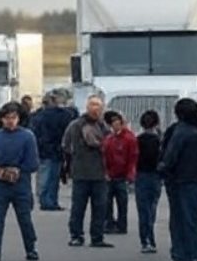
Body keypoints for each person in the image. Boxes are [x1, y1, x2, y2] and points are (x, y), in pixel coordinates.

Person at [0, 102, 41, 261]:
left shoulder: (27, 136)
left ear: (19, 118)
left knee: (25, 219)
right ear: (1, 119)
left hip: (21, 184)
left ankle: (31, 248)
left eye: (14, 117)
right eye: (7, 118)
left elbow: (33, 162)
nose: (10, 121)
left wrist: (19, 170)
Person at [159, 98, 197, 261]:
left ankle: (181, 255)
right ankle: (195, 254)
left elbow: (170, 157)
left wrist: (161, 168)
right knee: (192, 219)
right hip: (195, 179)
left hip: (178, 180)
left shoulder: (179, 132)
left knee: (177, 220)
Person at [61, 95, 113, 248]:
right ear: (87, 106)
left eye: (98, 105)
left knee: (100, 207)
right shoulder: (75, 125)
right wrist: (66, 167)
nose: (95, 108)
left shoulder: (105, 127)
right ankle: (76, 235)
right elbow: (66, 146)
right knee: (78, 207)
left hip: (100, 173)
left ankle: (97, 237)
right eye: (92, 105)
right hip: (81, 172)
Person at [30, 92, 74, 211]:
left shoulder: (37, 116)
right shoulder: (64, 115)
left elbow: (34, 132)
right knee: (53, 177)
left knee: (44, 175)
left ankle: (45, 200)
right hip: (57, 149)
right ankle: (51, 201)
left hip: (42, 149)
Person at [102, 111, 138, 235]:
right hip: (111, 174)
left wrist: (130, 174)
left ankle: (121, 224)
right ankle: (109, 223)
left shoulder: (129, 138)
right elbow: (104, 156)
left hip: (122, 175)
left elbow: (132, 157)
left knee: (121, 202)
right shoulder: (110, 138)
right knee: (108, 201)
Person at [134, 110, 163, 254]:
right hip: (155, 176)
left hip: (141, 175)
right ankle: (150, 237)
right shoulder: (159, 141)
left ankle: (145, 240)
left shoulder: (137, 140)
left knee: (142, 209)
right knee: (152, 208)